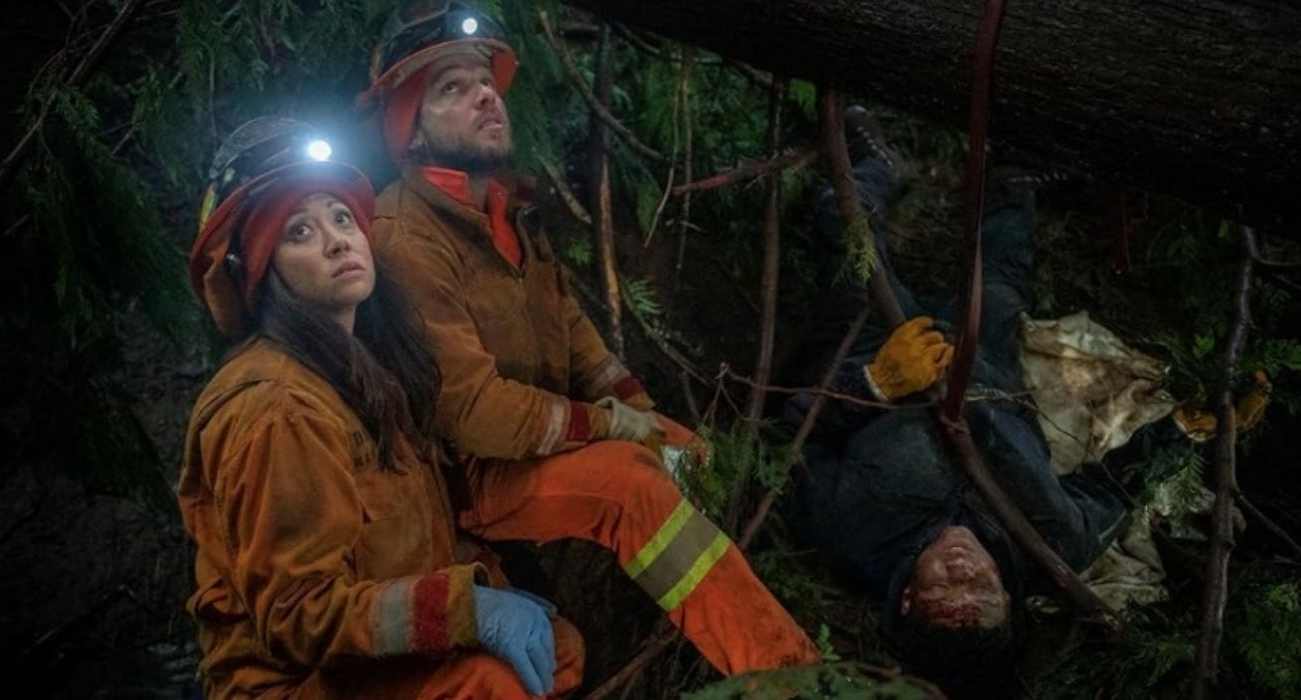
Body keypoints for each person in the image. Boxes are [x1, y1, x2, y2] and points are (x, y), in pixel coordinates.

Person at [356, 0, 819, 675]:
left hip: (535, 445)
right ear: (411, 131)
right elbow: (476, 413)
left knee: (686, 455)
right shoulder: (405, 238)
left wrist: (642, 413)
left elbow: (572, 331)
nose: (485, 95)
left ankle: (720, 633)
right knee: (632, 487)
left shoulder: (505, 210)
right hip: (470, 478)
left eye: (484, 79)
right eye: (452, 88)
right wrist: (608, 426)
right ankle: (787, 674)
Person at [783, 107, 1271, 694]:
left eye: (944, 589)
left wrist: (874, 383)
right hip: (989, 368)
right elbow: (1113, 488)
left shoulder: (849, 532)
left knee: (843, 229)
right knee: (999, 282)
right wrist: (1185, 429)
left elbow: (790, 442)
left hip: (876, 344)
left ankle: (877, 163)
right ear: (1011, 600)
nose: (963, 569)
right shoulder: (1054, 547)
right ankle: (1013, 184)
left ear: (907, 598)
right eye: (981, 588)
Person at [180, 116, 585, 699]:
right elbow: (298, 618)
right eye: (299, 232)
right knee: (491, 684)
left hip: (365, 664)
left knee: (558, 653)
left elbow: (410, 540)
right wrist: (467, 610)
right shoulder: (276, 408)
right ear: (262, 274)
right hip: (291, 686)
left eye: (342, 217)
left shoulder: (364, 370)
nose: (337, 240)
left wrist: (487, 589)